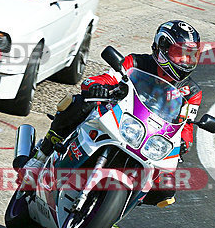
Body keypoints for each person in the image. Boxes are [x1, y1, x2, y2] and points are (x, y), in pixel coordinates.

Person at [18, 20, 203, 207]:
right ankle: (40, 157)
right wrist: (97, 86)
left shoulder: (192, 91)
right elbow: (104, 79)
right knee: (80, 103)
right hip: (121, 117)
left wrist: (184, 142)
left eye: (190, 56)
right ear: (162, 47)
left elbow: (187, 125)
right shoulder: (136, 63)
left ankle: (119, 205)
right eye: (179, 54)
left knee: (167, 190)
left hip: (152, 138)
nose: (185, 61)